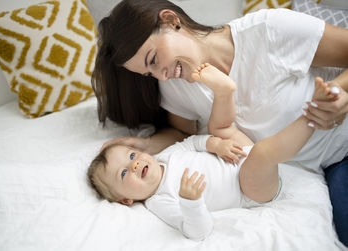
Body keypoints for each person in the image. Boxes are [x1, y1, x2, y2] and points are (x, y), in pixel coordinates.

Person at [91, 0, 348, 245]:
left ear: (170, 20)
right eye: (150, 73)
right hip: (318, 169)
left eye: (154, 60)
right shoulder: (175, 86)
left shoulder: (269, 30)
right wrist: (144, 145)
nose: (161, 76)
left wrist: (336, 93)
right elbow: (183, 133)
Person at [88, 64, 337, 240]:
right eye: (123, 174)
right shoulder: (159, 201)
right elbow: (198, 231)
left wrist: (216, 145)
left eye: (131, 156)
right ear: (126, 200)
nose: (133, 165)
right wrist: (191, 202)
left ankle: (223, 92)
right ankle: (312, 116)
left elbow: (194, 142)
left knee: (220, 129)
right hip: (249, 188)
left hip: (236, 154)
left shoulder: (166, 156)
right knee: (262, 153)